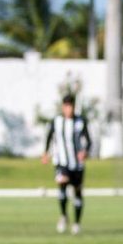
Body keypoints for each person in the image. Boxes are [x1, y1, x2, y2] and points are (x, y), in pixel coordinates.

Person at [42, 95, 91, 234]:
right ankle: (63, 216)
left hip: (77, 165)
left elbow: (89, 140)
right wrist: (45, 153)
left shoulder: (81, 121)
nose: (69, 109)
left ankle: (76, 223)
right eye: (66, 106)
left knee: (77, 193)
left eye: (71, 106)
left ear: (74, 107)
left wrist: (85, 152)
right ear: (63, 107)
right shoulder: (56, 121)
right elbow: (49, 136)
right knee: (62, 187)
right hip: (61, 162)